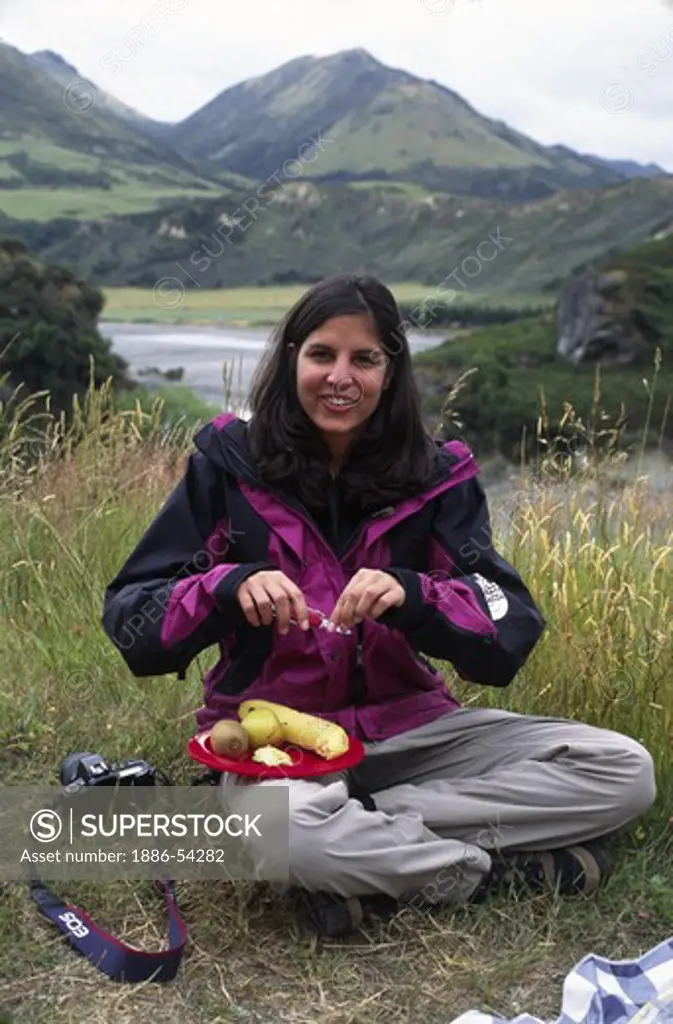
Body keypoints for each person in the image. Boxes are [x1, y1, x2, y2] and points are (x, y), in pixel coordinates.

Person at [102, 274, 656, 937]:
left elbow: (505, 626)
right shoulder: (227, 465)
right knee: (294, 833)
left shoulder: (437, 476)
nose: (341, 377)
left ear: (390, 372)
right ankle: (500, 874)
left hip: (411, 731)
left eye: (364, 359)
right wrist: (224, 585)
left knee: (624, 772)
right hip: (275, 746)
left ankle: (361, 831)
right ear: (290, 361)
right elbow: (134, 618)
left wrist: (416, 595)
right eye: (321, 355)